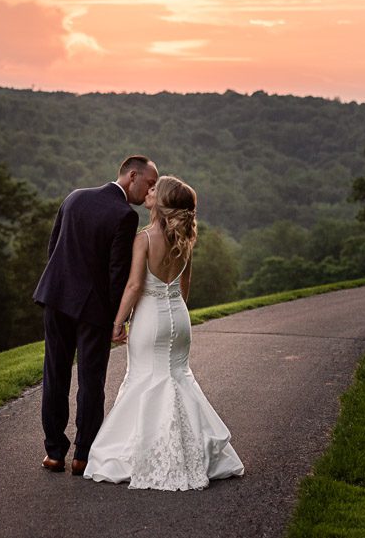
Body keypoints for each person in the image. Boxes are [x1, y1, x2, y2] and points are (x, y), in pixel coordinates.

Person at [83, 175, 245, 490]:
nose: (150, 190)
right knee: (178, 378)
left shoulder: (143, 238)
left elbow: (134, 286)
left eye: (156, 189)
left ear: (162, 201)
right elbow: (184, 286)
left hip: (150, 319)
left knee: (145, 379)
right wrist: (173, 310)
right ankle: (193, 452)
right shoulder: (185, 238)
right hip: (179, 318)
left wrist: (118, 322)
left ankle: (147, 455)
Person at [33, 155, 159, 475]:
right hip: (93, 310)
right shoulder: (124, 215)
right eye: (149, 183)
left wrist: (60, 286)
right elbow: (117, 274)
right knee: (91, 380)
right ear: (132, 176)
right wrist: (120, 320)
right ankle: (83, 456)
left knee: (55, 374)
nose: (150, 191)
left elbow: (54, 248)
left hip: (57, 297)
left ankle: (54, 453)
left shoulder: (75, 197)